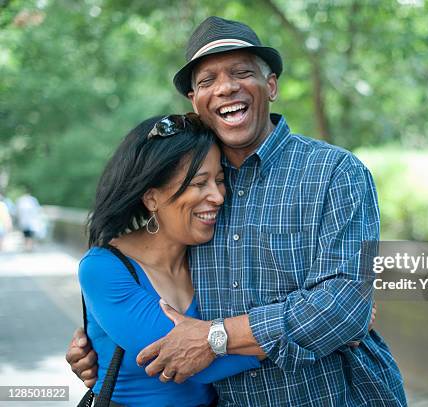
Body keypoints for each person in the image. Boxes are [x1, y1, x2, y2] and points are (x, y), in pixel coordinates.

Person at [68, 16, 407, 406]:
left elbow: (344, 305)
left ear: (272, 85)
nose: (226, 87)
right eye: (207, 80)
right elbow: (154, 317)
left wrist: (217, 337)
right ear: (195, 102)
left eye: (242, 72)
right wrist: (102, 343)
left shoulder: (335, 172)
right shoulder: (191, 192)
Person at [78, 113, 261, 406]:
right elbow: (193, 362)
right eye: (199, 183)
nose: (217, 196)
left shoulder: (211, 255)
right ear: (151, 198)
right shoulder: (103, 267)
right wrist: (320, 329)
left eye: (219, 180)